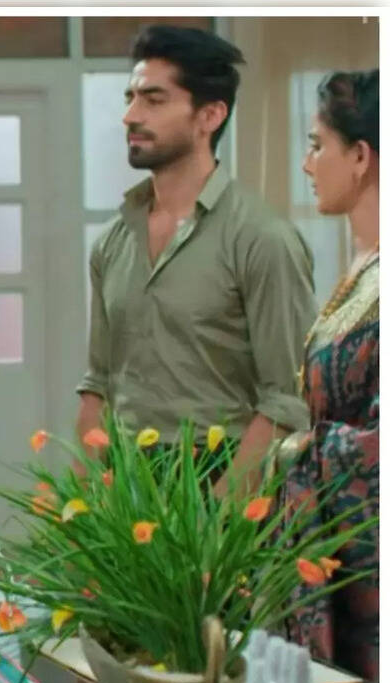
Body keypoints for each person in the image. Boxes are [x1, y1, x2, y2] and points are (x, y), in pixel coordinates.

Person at [76, 25, 315, 494]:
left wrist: (220, 515)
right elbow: (98, 385)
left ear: (209, 115)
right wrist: (82, 504)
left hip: (222, 471)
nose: (130, 115)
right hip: (126, 484)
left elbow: (286, 400)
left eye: (153, 100)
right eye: (130, 97)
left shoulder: (262, 238)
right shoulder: (113, 242)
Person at [280, 69, 379, 683]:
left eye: (318, 145)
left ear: (361, 156)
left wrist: (299, 452)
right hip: (340, 555)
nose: (307, 163)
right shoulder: (362, 267)